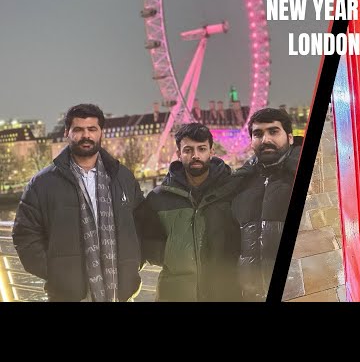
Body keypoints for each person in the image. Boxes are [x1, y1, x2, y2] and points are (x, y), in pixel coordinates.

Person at [12, 103, 145, 302]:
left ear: (101, 133)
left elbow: (143, 225)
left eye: (92, 129)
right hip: (68, 295)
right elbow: (24, 236)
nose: (86, 136)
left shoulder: (123, 178)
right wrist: (58, 275)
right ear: (67, 132)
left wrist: (132, 264)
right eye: (78, 130)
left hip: (120, 293)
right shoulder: (42, 183)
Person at [138, 122, 241, 301]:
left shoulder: (233, 191)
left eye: (201, 149)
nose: (195, 155)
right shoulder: (158, 198)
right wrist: (174, 255)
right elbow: (148, 242)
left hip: (224, 292)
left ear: (211, 151)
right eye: (188, 150)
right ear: (178, 154)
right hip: (176, 293)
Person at [231, 107, 302, 301]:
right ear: (251, 141)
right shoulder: (240, 184)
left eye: (273, 131)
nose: (266, 140)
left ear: (290, 137)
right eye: (258, 134)